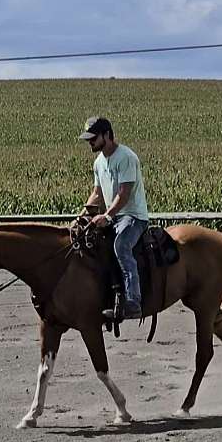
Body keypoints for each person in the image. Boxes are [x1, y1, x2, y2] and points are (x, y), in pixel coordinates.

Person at [79, 116, 149, 319]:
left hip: (133, 216)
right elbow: (97, 194)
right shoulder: (99, 162)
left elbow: (124, 193)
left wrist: (107, 216)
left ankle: (133, 302)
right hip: (113, 216)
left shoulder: (126, 157)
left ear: (107, 135)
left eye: (93, 138)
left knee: (121, 245)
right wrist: (82, 216)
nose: (90, 142)